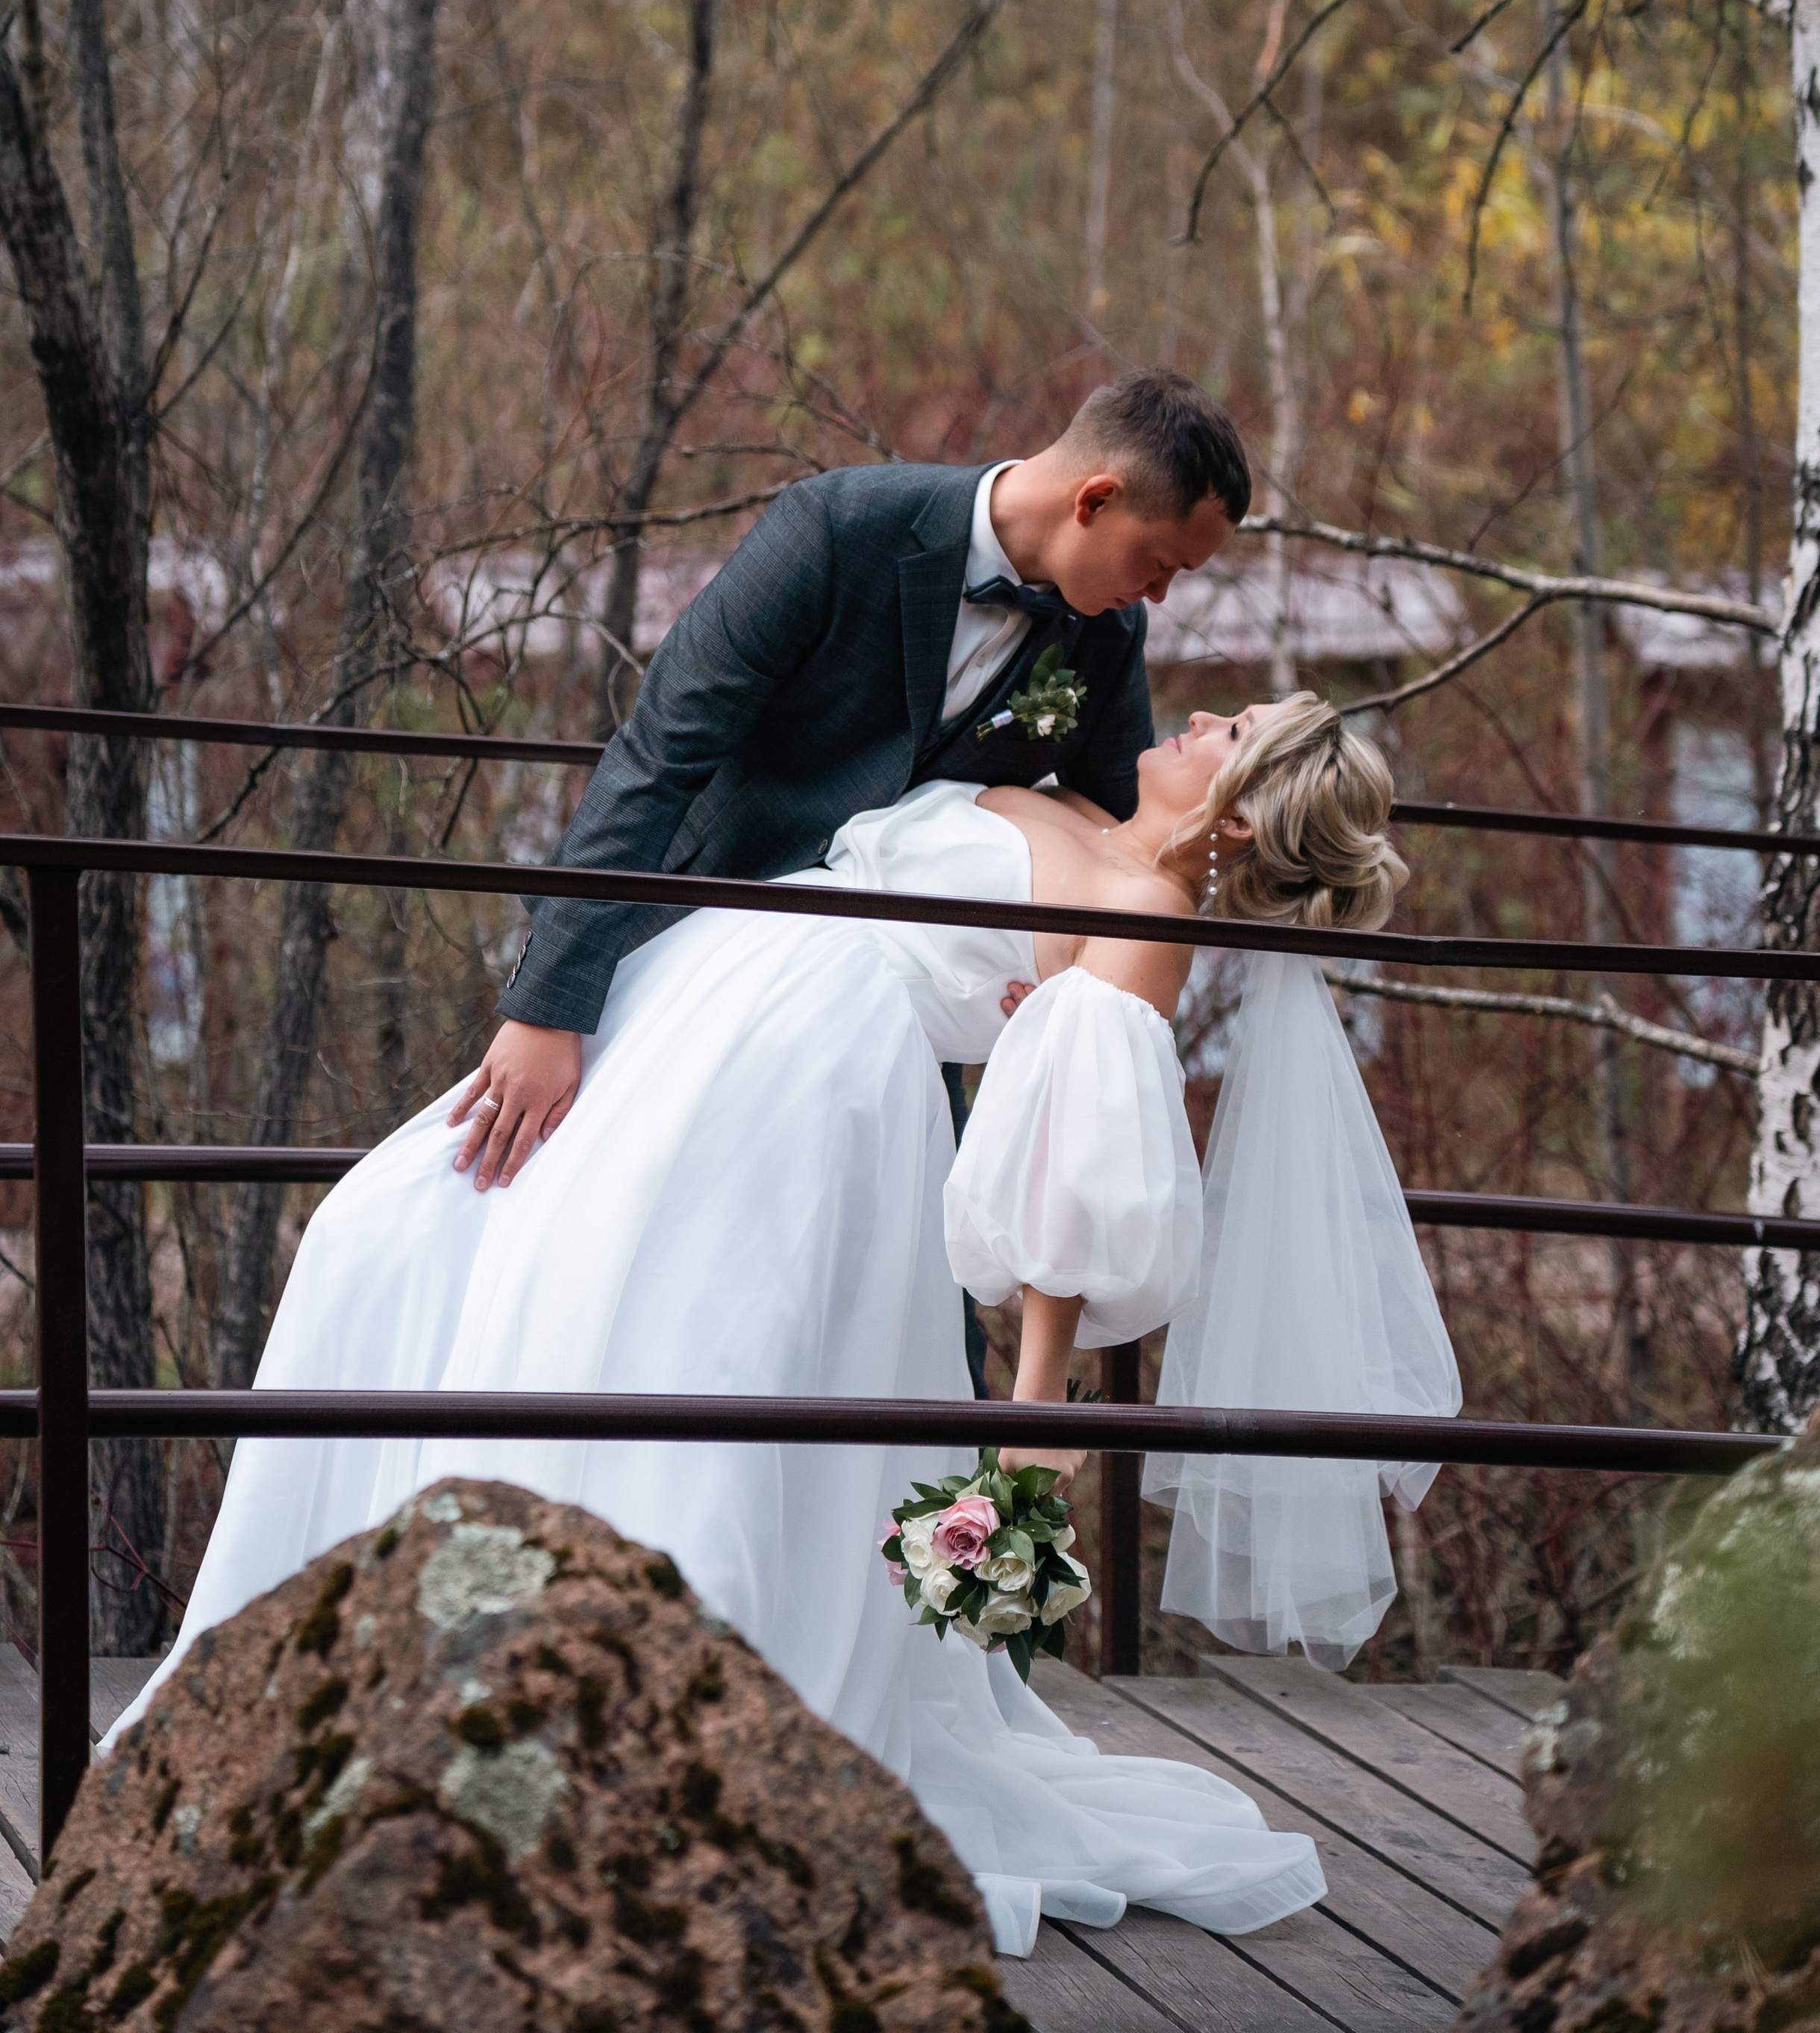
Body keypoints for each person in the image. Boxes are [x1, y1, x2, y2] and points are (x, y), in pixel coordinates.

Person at [104, 696, 1460, 1960]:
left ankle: (585, 1746)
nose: (1197, 714)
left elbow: (1073, 1199)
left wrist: (1022, 1459)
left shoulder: (1142, 909)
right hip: (701, 986)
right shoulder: (1084, 807)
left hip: (807, 1089)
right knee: (392, 1232)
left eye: (1233, 729)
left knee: (668, 1356)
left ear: (1235, 818)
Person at [464, 368, 1250, 1196]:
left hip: (891, 1041)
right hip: (696, 954)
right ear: (1093, 499)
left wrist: (1074, 985)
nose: (1159, 595)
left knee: (906, 1304)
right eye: (1159, 563)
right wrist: (548, 1006)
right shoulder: (835, 528)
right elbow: (660, 754)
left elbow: (1128, 837)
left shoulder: (1105, 631)